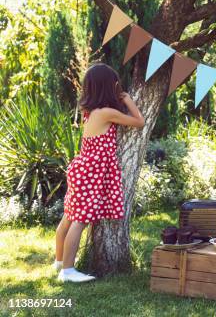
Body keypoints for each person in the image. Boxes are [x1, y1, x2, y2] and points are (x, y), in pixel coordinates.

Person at [54, 63, 144, 282]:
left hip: (82, 168)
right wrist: (128, 100)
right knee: (80, 220)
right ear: (109, 88)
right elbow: (139, 122)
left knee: (69, 216)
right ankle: (67, 271)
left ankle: (58, 261)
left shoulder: (90, 112)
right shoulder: (108, 113)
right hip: (91, 172)